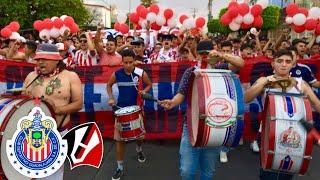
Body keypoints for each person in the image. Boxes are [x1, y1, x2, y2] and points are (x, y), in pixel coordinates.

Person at [159, 40, 244, 180]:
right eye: (201, 54)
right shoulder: (191, 72)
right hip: (192, 126)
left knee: (208, 171)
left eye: (207, 53)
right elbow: (181, 94)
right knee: (187, 171)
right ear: (196, 55)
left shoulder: (222, 68)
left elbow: (240, 63)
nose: (205, 56)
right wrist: (173, 102)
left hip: (214, 126)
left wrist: (221, 54)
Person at [244, 49, 320, 180]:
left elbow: (318, 105)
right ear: (273, 63)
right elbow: (246, 98)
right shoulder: (264, 80)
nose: (284, 64)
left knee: (288, 170)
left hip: (294, 133)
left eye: (288, 61)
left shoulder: (301, 84)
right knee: (268, 172)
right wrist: (263, 82)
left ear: (293, 64)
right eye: (280, 61)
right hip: (270, 132)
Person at [23, 43, 83, 180]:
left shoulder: (70, 76)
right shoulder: (31, 77)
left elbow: (78, 104)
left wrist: (57, 109)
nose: (40, 62)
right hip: (32, 133)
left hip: (59, 132)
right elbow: (22, 103)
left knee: (53, 174)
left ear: (56, 60)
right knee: (31, 173)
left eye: (44, 59)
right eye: (38, 59)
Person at [107, 49, 152, 180]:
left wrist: (144, 90)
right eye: (125, 62)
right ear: (122, 62)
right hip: (120, 110)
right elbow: (109, 85)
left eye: (130, 62)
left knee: (139, 136)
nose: (128, 65)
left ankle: (139, 150)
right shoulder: (116, 74)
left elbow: (149, 85)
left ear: (134, 61)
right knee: (119, 140)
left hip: (136, 110)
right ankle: (119, 167)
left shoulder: (140, 73)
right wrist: (111, 98)